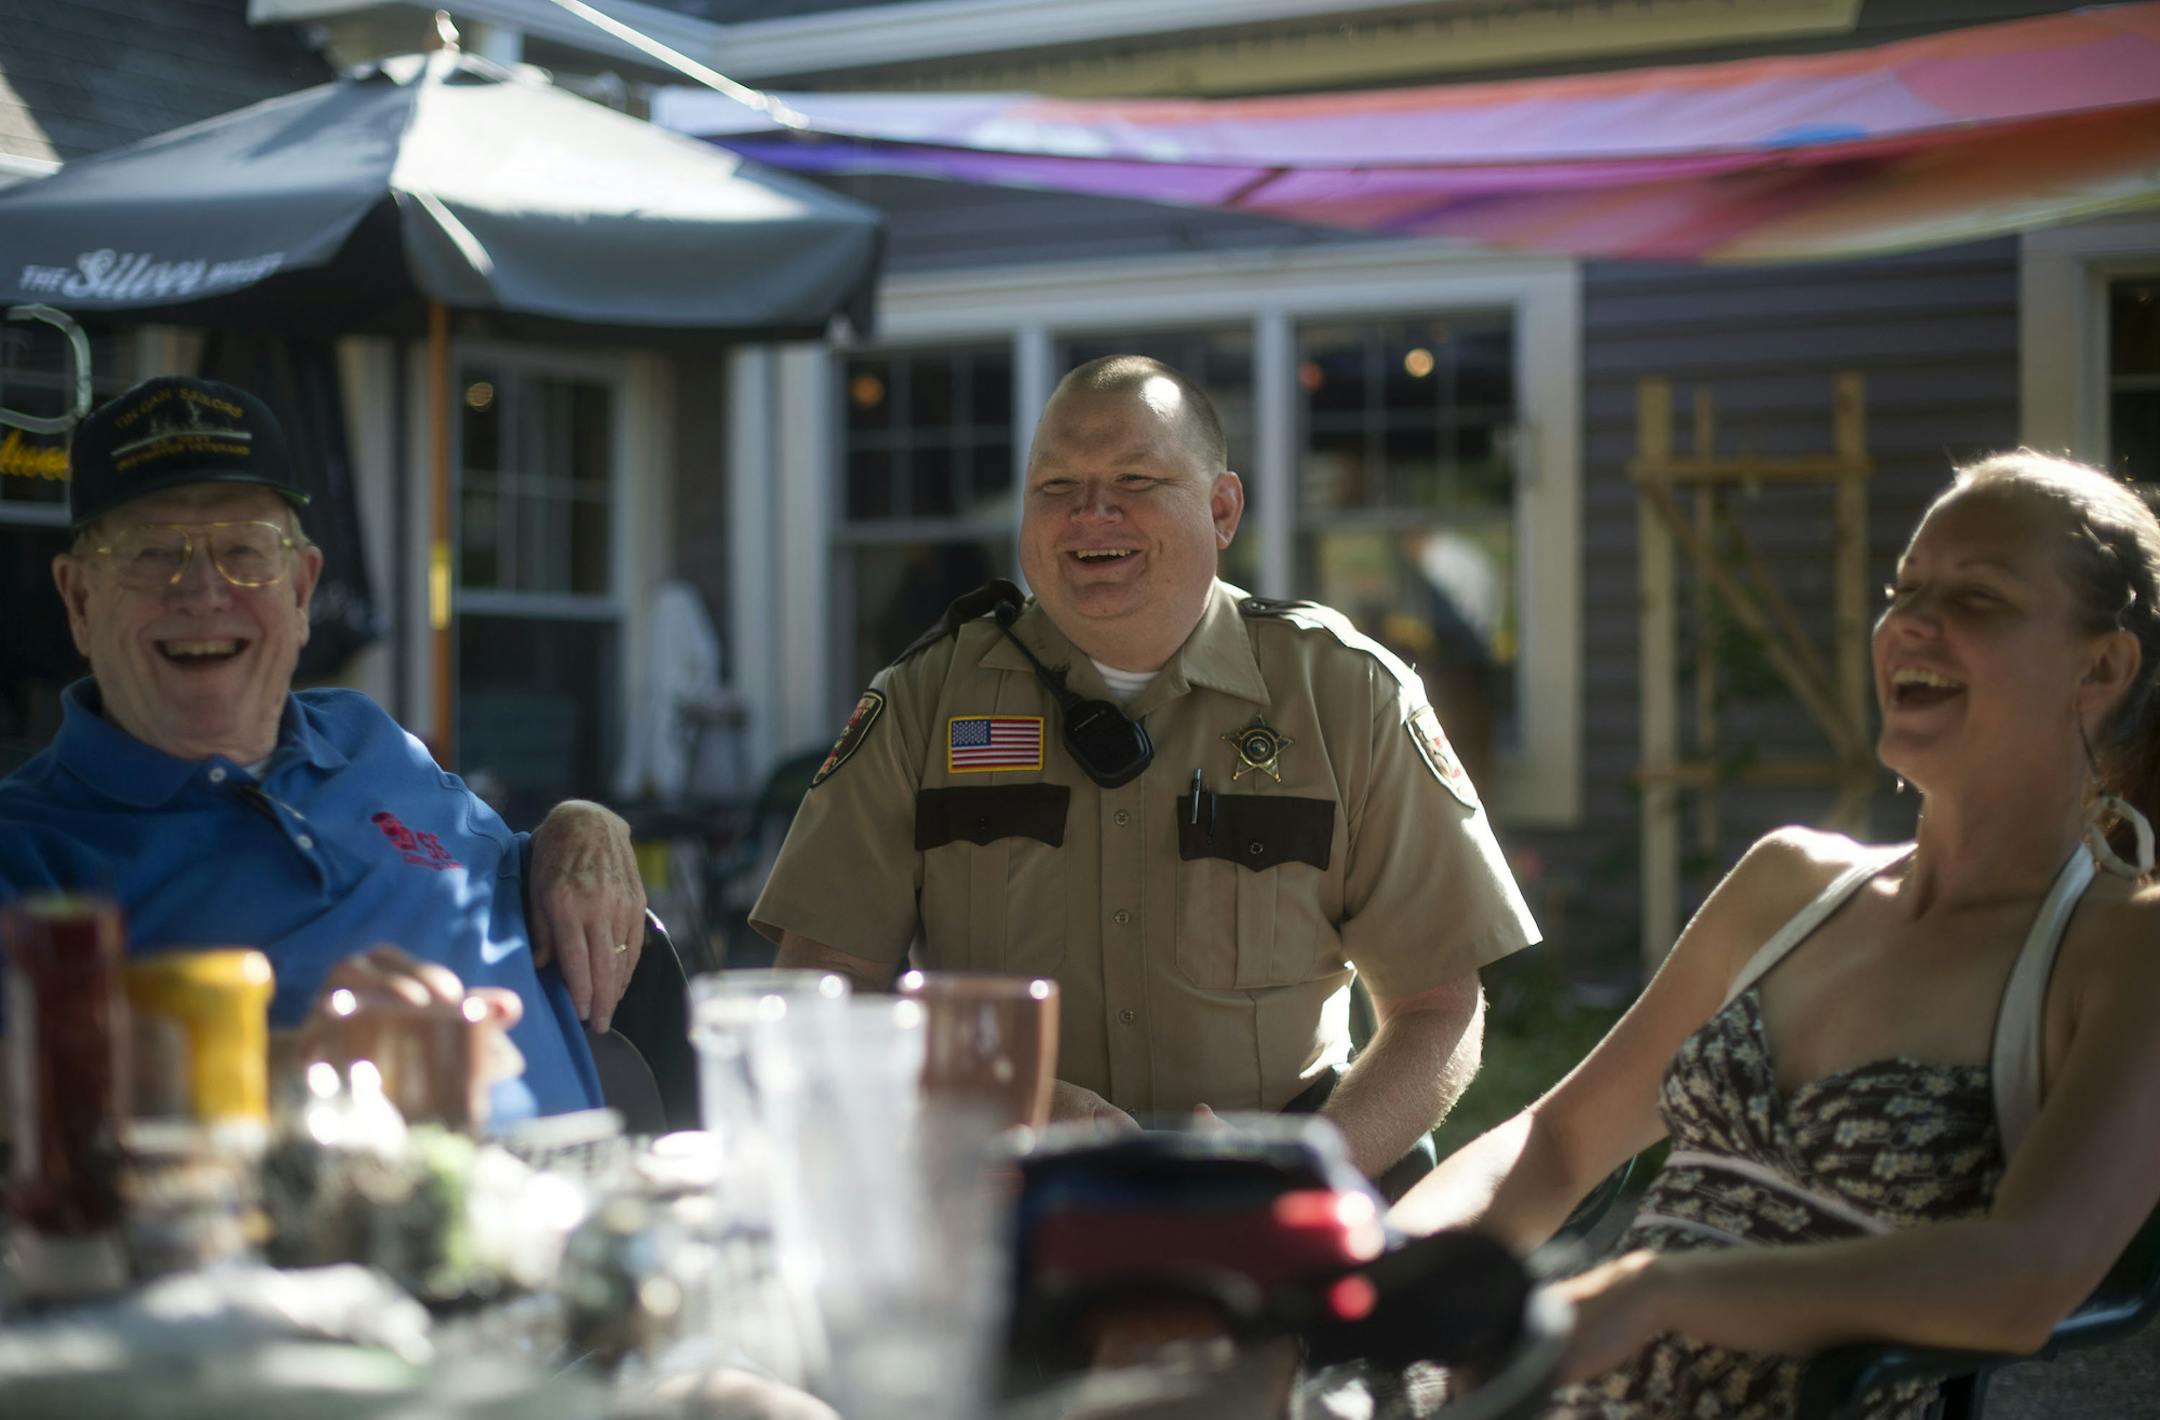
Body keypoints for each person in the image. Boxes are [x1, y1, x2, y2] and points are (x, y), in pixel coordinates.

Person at [1391, 450, 2160, 1417]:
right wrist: (1388, 1267)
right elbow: (1556, 1140)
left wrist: (1656, 1290)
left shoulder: (2124, 946)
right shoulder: (1791, 883)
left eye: (1979, 597)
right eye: (1905, 587)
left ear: (2101, 665)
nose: (1913, 621)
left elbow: (2027, 1274)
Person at [750, 355, 1539, 1187]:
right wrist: (1002, 1097)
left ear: (1222, 508)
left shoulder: (1344, 695)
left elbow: (1437, 1009)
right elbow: (821, 995)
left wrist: (1298, 1173)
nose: (1093, 512)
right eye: (1055, 486)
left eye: (1136, 477)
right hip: (1000, 1196)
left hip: (1273, 1212)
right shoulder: (925, 700)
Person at [0, 375, 646, 1122]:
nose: (204, 591)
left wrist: (582, 825)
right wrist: (300, 1074)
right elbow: (34, 1116)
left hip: (596, 1201)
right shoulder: (29, 854)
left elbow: (505, 862)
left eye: (245, 552)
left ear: (302, 592)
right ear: (79, 600)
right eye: (152, 554)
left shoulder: (368, 737)